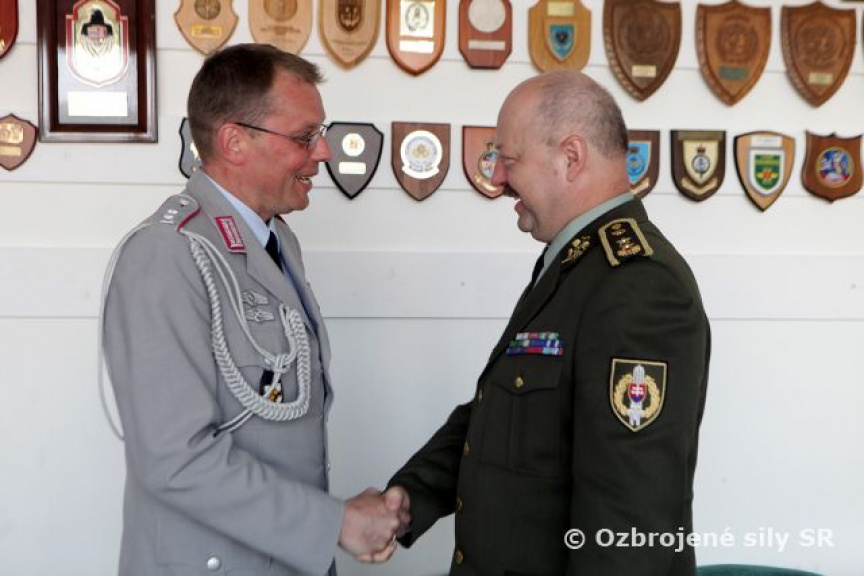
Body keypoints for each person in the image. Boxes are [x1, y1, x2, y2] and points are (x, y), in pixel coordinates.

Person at [387, 71, 711, 575]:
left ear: (571, 157)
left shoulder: (638, 285)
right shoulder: (578, 264)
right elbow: (503, 415)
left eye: (509, 159)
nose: (496, 178)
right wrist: (410, 498)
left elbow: (629, 523)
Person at [101, 44, 406, 576]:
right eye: (304, 137)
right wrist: (334, 524)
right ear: (234, 142)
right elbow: (175, 459)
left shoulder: (276, 240)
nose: (324, 152)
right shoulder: (167, 253)